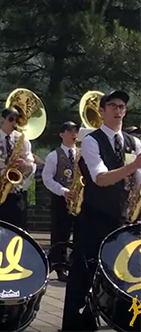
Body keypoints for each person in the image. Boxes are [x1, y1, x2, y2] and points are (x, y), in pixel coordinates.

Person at [62, 91, 141, 332]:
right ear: (103, 111)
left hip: (122, 219)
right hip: (94, 219)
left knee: (126, 275)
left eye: (122, 107)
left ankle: (127, 321)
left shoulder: (133, 142)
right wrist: (133, 166)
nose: (118, 111)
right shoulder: (91, 141)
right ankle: (76, 325)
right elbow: (100, 178)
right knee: (83, 274)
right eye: (113, 106)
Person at [0, 108, 36, 229]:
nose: (14, 123)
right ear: (3, 120)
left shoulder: (23, 140)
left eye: (16, 120)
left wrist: (24, 164)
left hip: (17, 192)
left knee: (18, 230)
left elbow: (31, 164)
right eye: (11, 119)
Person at [42, 121, 79, 282]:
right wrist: (63, 191)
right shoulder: (54, 155)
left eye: (75, 131)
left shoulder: (82, 153)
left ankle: (74, 265)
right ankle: (58, 265)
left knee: (78, 234)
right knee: (60, 234)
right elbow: (47, 178)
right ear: (62, 134)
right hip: (61, 199)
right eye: (69, 131)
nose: (73, 134)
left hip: (79, 199)